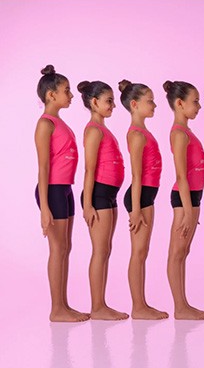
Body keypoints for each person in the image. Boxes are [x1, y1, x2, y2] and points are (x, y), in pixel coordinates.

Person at [34, 66, 88, 322]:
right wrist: (44, 207)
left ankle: (64, 305)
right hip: (52, 191)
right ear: (51, 95)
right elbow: (43, 168)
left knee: (65, 248)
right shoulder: (45, 124)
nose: (71, 95)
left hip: (65, 189)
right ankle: (56, 310)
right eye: (66, 91)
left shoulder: (59, 122)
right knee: (57, 248)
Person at [78, 80, 128, 320]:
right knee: (100, 251)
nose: (113, 105)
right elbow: (89, 170)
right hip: (97, 194)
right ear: (94, 102)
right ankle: (97, 307)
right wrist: (87, 204)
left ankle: (102, 304)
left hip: (109, 194)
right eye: (109, 101)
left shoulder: (103, 129)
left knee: (105, 250)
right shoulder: (93, 130)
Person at [119, 80, 167, 320]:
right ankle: (138, 307)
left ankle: (142, 304)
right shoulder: (136, 135)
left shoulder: (143, 131)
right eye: (150, 101)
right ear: (135, 104)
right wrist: (136, 209)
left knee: (142, 251)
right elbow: (136, 175)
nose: (155, 104)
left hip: (147, 195)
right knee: (138, 252)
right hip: (140, 196)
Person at [164, 80, 204, 320]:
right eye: (195, 102)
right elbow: (181, 175)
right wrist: (188, 211)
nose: (199, 106)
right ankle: (180, 307)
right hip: (184, 198)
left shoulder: (187, 131)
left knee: (184, 251)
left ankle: (184, 304)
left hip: (192, 197)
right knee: (177, 252)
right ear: (180, 103)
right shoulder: (179, 134)